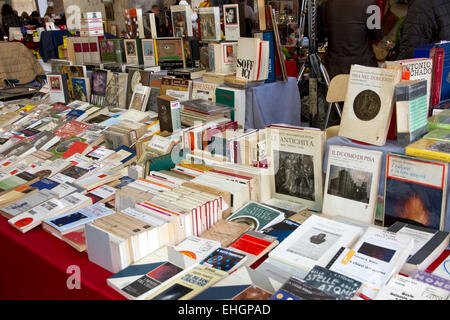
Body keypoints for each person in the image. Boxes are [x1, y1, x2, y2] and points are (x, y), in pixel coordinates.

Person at [323, 0, 384, 80]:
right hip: (362, 69)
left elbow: (323, 31)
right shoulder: (370, 3)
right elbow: (378, 36)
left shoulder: (329, 3)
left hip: (334, 68)